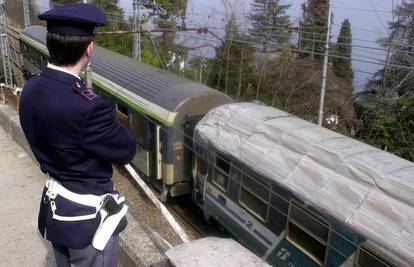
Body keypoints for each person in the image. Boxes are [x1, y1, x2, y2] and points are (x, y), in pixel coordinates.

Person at [19, 3, 136, 267]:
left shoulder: (31, 88)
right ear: (89, 49)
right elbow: (126, 149)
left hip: (55, 211)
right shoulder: (87, 106)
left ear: (50, 44)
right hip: (87, 222)